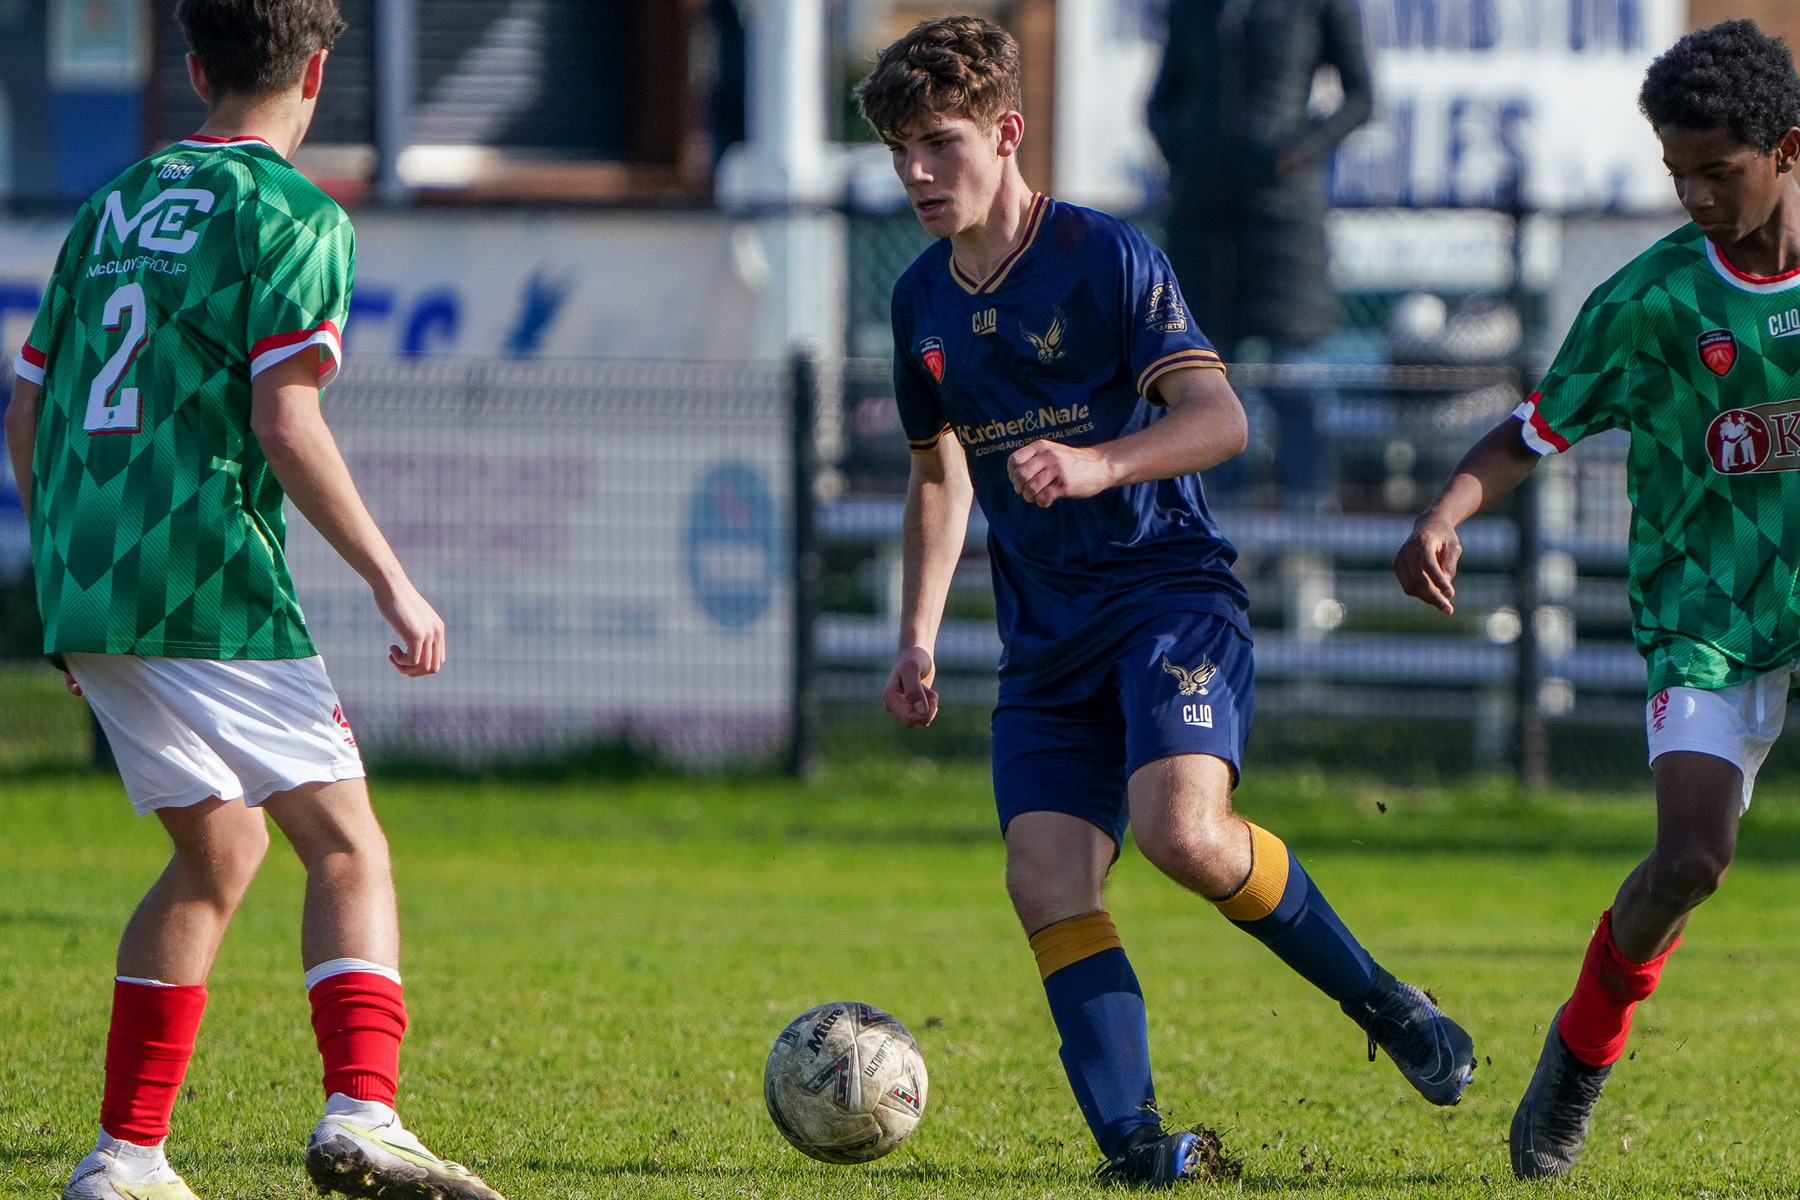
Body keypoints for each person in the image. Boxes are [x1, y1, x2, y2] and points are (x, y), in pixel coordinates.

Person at [858, 15, 1473, 1185]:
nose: (917, 174)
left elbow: (1220, 419)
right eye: (899, 153)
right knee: (1044, 877)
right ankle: (1138, 1148)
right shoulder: (918, 303)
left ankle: (1390, 1007)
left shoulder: (1106, 256)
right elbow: (938, 470)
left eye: (938, 144)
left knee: (1182, 834)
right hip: (1043, 644)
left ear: (1008, 131)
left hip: (1163, 596)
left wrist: (1095, 461)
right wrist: (918, 637)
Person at [4, 2, 503, 1197]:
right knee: (345, 846)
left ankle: (125, 1158)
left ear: (193, 67)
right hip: (203, 577)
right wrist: (394, 580)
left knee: (217, 848)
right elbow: (287, 421)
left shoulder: (109, 209)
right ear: (319, 72)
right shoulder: (292, 212)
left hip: (88, 578)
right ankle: (365, 1114)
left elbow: (24, 413)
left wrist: (68, 576)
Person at [1393, 19, 1800, 1180]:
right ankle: (1579, 1055)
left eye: (1718, 170)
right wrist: (1446, 512)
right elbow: (1531, 431)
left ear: (1788, 149)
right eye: (1677, 173)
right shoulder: (1651, 301)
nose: (1696, 193)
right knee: (1690, 861)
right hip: (1705, 616)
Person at [1147, 0, 1373, 509]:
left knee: (1295, 377)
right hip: (1203, 222)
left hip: (1284, 218)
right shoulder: (1193, 8)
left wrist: (1297, 152)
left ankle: (1306, 545)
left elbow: (1361, 97)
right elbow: (1160, 102)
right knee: (1207, 377)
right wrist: (1190, 155)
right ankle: (1222, 538)